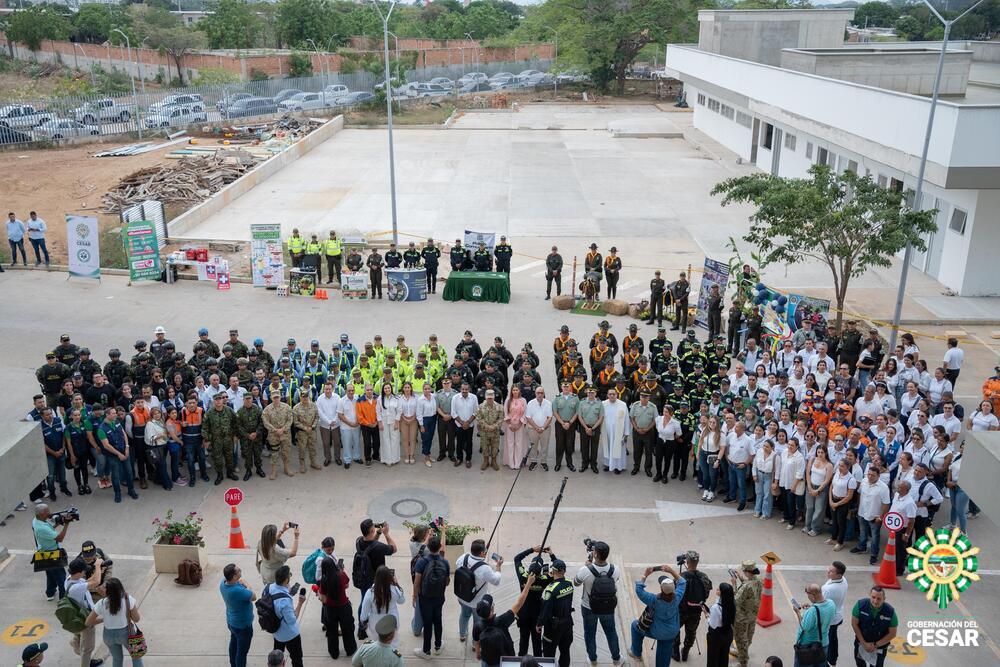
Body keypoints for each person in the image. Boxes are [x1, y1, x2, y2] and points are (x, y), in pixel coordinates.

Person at [574, 541, 621, 664]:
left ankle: (593, 659)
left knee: (590, 634)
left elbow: (576, 583)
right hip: (608, 608)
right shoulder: (615, 569)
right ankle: (616, 658)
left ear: (595, 554)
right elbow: (616, 580)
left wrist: (587, 566)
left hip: (589, 607)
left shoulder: (585, 570)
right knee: (611, 633)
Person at [628, 564, 685, 667]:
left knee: (634, 626)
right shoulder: (677, 597)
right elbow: (682, 582)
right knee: (664, 652)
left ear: (661, 589)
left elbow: (639, 590)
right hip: (672, 632)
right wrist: (671, 571)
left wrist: (645, 575)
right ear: (673, 588)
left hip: (657, 631)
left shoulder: (653, 600)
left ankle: (636, 653)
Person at [474, 578, 536, 667]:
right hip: (504, 661)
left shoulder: (477, 626)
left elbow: (476, 642)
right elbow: (519, 603)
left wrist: (478, 653)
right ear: (491, 610)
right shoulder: (502, 621)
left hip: (487, 660)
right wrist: (529, 583)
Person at [85, 577, 142, 667]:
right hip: (126, 633)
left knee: (117, 659)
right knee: (136, 656)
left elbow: (88, 622)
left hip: (108, 635)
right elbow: (137, 619)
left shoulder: (102, 603)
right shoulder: (127, 599)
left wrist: (104, 619)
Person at [456, 539, 504, 642]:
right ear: (482, 553)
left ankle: (462, 634)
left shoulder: (463, 557)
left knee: (464, 615)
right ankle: (475, 642)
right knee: (477, 622)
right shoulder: (485, 569)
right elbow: (496, 581)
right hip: (476, 602)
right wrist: (498, 567)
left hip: (462, 597)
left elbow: (457, 566)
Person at [412, 533, 449, 659]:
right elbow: (447, 581)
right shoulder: (445, 562)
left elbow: (417, 582)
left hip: (425, 598)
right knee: (438, 620)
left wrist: (414, 595)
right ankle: (438, 646)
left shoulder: (422, 562)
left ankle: (426, 651)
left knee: (427, 624)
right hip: (439, 597)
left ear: (428, 546)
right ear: (440, 547)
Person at [354, 519, 398, 625]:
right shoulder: (379, 547)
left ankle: (362, 622)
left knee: (364, 601)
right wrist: (386, 534)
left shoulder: (358, 541)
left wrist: (378, 533)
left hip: (363, 577)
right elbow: (394, 549)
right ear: (372, 530)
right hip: (376, 580)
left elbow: (370, 544)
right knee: (378, 603)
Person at [65, 558, 105, 667]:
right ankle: (86, 663)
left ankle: (76, 644)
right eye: (83, 571)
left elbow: (89, 581)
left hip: (77, 615)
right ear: (79, 572)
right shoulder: (76, 588)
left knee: (79, 635)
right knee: (88, 648)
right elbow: (96, 582)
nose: (85, 573)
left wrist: (98, 572)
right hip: (85, 617)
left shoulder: (70, 580)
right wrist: (97, 566)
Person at [265, 566, 306, 667]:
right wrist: (300, 603)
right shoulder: (285, 601)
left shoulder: (268, 587)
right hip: (290, 635)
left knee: (277, 658)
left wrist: (288, 593)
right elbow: (292, 620)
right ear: (286, 579)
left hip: (276, 632)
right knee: (297, 658)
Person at [674, 551, 711, 662]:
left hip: (681, 610)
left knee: (675, 630)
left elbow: (674, 593)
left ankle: (675, 652)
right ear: (697, 562)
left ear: (687, 562)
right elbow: (707, 593)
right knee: (691, 632)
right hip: (695, 611)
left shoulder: (681, 577)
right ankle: (685, 652)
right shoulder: (704, 577)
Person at [318, 556, 357, 658]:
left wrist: (319, 593)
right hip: (344, 607)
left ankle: (334, 653)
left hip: (330, 609)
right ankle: (350, 649)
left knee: (332, 632)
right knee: (347, 630)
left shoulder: (324, 579)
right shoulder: (341, 575)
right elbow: (347, 585)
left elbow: (324, 599)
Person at [849, 586, 898, 667]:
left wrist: (875, 645)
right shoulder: (860, 605)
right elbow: (854, 624)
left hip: (880, 647)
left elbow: (892, 633)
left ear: (884, 598)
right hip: (861, 644)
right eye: (873, 597)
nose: (875, 601)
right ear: (870, 595)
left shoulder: (890, 612)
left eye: (879, 599)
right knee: (860, 663)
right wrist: (864, 643)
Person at [220, 563, 256, 667]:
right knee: (242, 652)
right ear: (234, 576)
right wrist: (247, 584)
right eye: (238, 570)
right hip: (243, 626)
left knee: (234, 642)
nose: (240, 570)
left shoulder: (223, 584)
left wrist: (240, 583)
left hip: (232, 622)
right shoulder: (236, 590)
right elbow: (253, 596)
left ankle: (233, 664)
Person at [33, 503, 70, 601]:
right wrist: (66, 523)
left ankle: (50, 593)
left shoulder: (36, 520)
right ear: (41, 515)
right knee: (61, 577)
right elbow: (60, 538)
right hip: (52, 554)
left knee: (50, 573)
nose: (50, 513)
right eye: (47, 512)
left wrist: (59, 522)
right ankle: (63, 598)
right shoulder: (42, 528)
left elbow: (50, 530)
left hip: (44, 553)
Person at [793, 584, 836, 667]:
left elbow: (804, 627)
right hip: (823, 644)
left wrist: (798, 612)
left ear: (813, 595)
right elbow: (823, 614)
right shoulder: (831, 603)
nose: (808, 597)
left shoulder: (813, 611)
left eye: (808, 595)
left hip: (808, 648)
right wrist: (812, 607)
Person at [360, 566, 403, 649]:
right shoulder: (394, 590)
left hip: (375, 623)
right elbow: (402, 600)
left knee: (377, 644)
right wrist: (396, 584)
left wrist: (363, 620)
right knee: (393, 644)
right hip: (392, 621)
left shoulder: (370, 592)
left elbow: (364, 613)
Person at [732, 560, 762, 667]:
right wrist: (740, 577)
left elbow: (736, 600)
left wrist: (734, 584)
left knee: (741, 640)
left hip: (742, 618)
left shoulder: (745, 587)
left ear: (747, 571)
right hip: (752, 615)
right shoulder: (759, 580)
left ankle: (743, 663)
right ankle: (742, 652)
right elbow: (748, 582)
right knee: (748, 637)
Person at [822, 562, 849, 666]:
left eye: (831, 571)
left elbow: (821, 603)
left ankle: (830, 660)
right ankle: (833, 659)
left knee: (827, 640)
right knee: (833, 638)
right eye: (829, 569)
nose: (828, 572)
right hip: (838, 614)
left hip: (830, 619)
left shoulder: (829, 590)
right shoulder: (843, 580)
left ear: (839, 575)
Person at [262, 392, 294, 479]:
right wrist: (275, 430)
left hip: (285, 433)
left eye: (277, 397)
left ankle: (286, 468)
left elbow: (290, 419)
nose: (276, 399)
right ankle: (274, 471)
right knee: (274, 453)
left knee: (286, 451)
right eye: (274, 398)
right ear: (271, 398)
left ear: (280, 397)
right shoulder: (267, 409)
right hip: (273, 435)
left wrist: (283, 429)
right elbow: (265, 421)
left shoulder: (287, 407)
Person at [705, 582, 735, 667]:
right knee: (724, 656)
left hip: (716, 636)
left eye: (718, 589)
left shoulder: (715, 608)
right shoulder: (731, 603)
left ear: (721, 593)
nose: (716, 589)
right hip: (728, 633)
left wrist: (707, 616)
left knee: (713, 658)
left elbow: (713, 625)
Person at [602, 388, 631, 474]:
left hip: (619, 432)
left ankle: (618, 466)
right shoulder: (603, 404)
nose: (612, 396)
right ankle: (607, 464)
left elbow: (626, 419)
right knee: (607, 448)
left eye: (613, 394)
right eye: (610, 394)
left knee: (619, 449)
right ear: (607, 395)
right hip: (606, 431)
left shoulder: (622, 404)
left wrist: (626, 433)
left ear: (617, 395)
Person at [451, 382, 479, 468]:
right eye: (463, 389)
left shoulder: (474, 398)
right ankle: (459, 458)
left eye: (466, 389)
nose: (464, 391)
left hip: (469, 425)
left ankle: (468, 459)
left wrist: (468, 422)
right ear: (460, 389)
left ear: (469, 389)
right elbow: (453, 412)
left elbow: (476, 411)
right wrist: (462, 423)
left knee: (469, 442)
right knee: (459, 442)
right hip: (459, 425)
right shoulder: (455, 398)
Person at [526, 387, 553, 471]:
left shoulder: (548, 403)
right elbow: (528, 417)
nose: (540, 394)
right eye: (538, 393)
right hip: (533, 429)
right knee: (533, 446)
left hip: (545, 429)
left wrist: (543, 428)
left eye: (541, 393)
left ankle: (543, 462)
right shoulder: (530, 403)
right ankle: (533, 461)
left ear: (544, 394)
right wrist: (537, 427)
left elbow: (549, 417)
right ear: (535, 393)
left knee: (544, 446)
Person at [477, 389, 504, 471]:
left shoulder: (499, 407)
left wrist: (494, 426)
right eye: (488, 398)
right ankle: (485, 461)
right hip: (484, 431)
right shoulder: (480, 407)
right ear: (485, 397)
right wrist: (487, 426)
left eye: (491, 398)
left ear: (494, 397)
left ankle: (494, 461)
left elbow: (501, 418)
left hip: (495, 431)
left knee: (495, 446)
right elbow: (479, 418)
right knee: (484, 446)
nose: (490, 399)